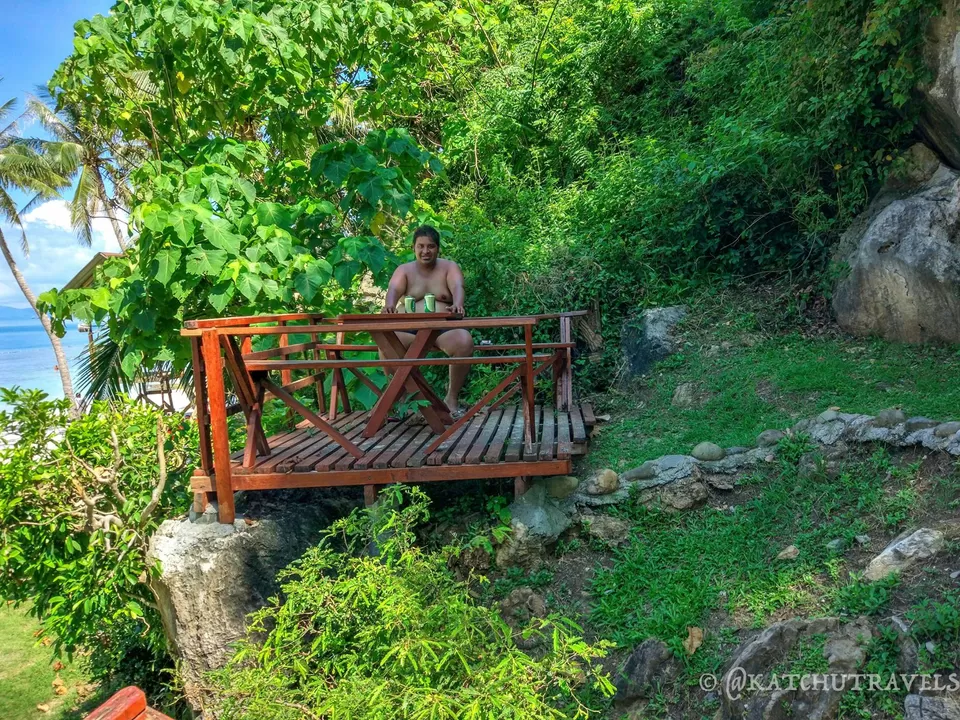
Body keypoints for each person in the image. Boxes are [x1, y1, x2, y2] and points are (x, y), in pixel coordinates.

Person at [382, 225, 474, 414]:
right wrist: (389, 304)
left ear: (438, 248)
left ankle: (451, 398)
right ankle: (401, 399)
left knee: (464, 341)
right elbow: (393, 290)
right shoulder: (404, 270)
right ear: (413, 248)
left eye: (430, 246)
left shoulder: (449, 267)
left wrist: (458, 303)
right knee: (385, 344)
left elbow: (458, 286)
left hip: (443, 330)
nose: (425, 251)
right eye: (421, 246)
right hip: (408, 329)